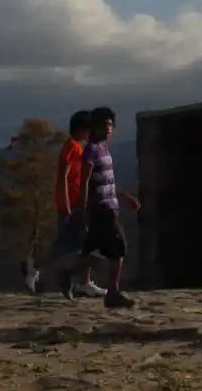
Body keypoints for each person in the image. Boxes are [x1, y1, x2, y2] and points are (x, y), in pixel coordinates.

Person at [60, 106, 140, 308]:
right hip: (101, 209)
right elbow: (85, 180)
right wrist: (82, 207)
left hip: (109, 206)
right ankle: (112, 293)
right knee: (118, 248)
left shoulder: (104, 150)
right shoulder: (90, 151)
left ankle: (66, 273)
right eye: (104, 124)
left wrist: (123, 197)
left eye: (111, 124)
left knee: (93, 251)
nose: (108, 128)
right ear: (93, 128)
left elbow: (107, 182)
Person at [24, 111, 106, 298]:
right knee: (74, 244)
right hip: (71, 205)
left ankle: (84, 282)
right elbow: (63, 178)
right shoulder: (72, 148)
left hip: (76, 204)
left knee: (77, 244)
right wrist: (68, 206)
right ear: (81, 129)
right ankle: (35, 266)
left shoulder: (75, 147)